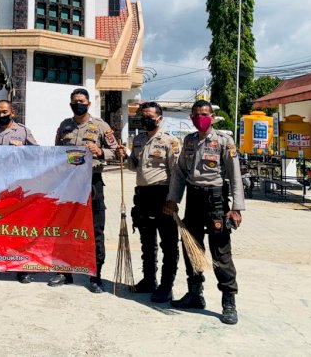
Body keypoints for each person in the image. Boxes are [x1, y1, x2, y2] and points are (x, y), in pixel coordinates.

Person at [164, 99, 244, 325]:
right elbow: (179, 174)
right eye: (197, 114)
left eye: (206, 114)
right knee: (192, 248)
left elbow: (235, 176)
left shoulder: (223, 141)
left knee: (220, 252)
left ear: (212, 117)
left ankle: (229, 301)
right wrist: (173, 199)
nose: (202, 118)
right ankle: (195, 294)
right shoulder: (188, 142)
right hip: (194, 199)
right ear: (191, 118)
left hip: (216, 200)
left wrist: (237, 208)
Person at [49, 88, 117, 293]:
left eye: (81, 100)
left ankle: (96, 276)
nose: (77, 103)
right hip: (69, 184)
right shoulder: (64, 126)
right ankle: (64, 271)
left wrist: (101, 151)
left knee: (95, 230)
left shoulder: (100, 126)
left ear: (88, 103)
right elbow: (56, 152)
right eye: (74, 101)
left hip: (92, 182)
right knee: (66, 228)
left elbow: (116, 152)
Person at [116, 102, 180, 302]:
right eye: (143, 115)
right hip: (143, 195)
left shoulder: (170, 141)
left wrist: (173, 200)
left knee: (168, 243)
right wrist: (124, 155)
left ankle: (166, 285)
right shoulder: (138, 140)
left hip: (163, 195)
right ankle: (149, 280)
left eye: (149, 115)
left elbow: (176, 173)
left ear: (159, 118)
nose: (146, 119)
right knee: (147, 241)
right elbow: (134, 166)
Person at [0, 99, 37, 283]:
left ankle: (22, 268)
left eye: (5, 112)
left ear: (12, 112)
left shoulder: (22, 131)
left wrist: (24, 150)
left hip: (16, 187)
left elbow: (37, 153)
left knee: (19, 227)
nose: (1, 115)